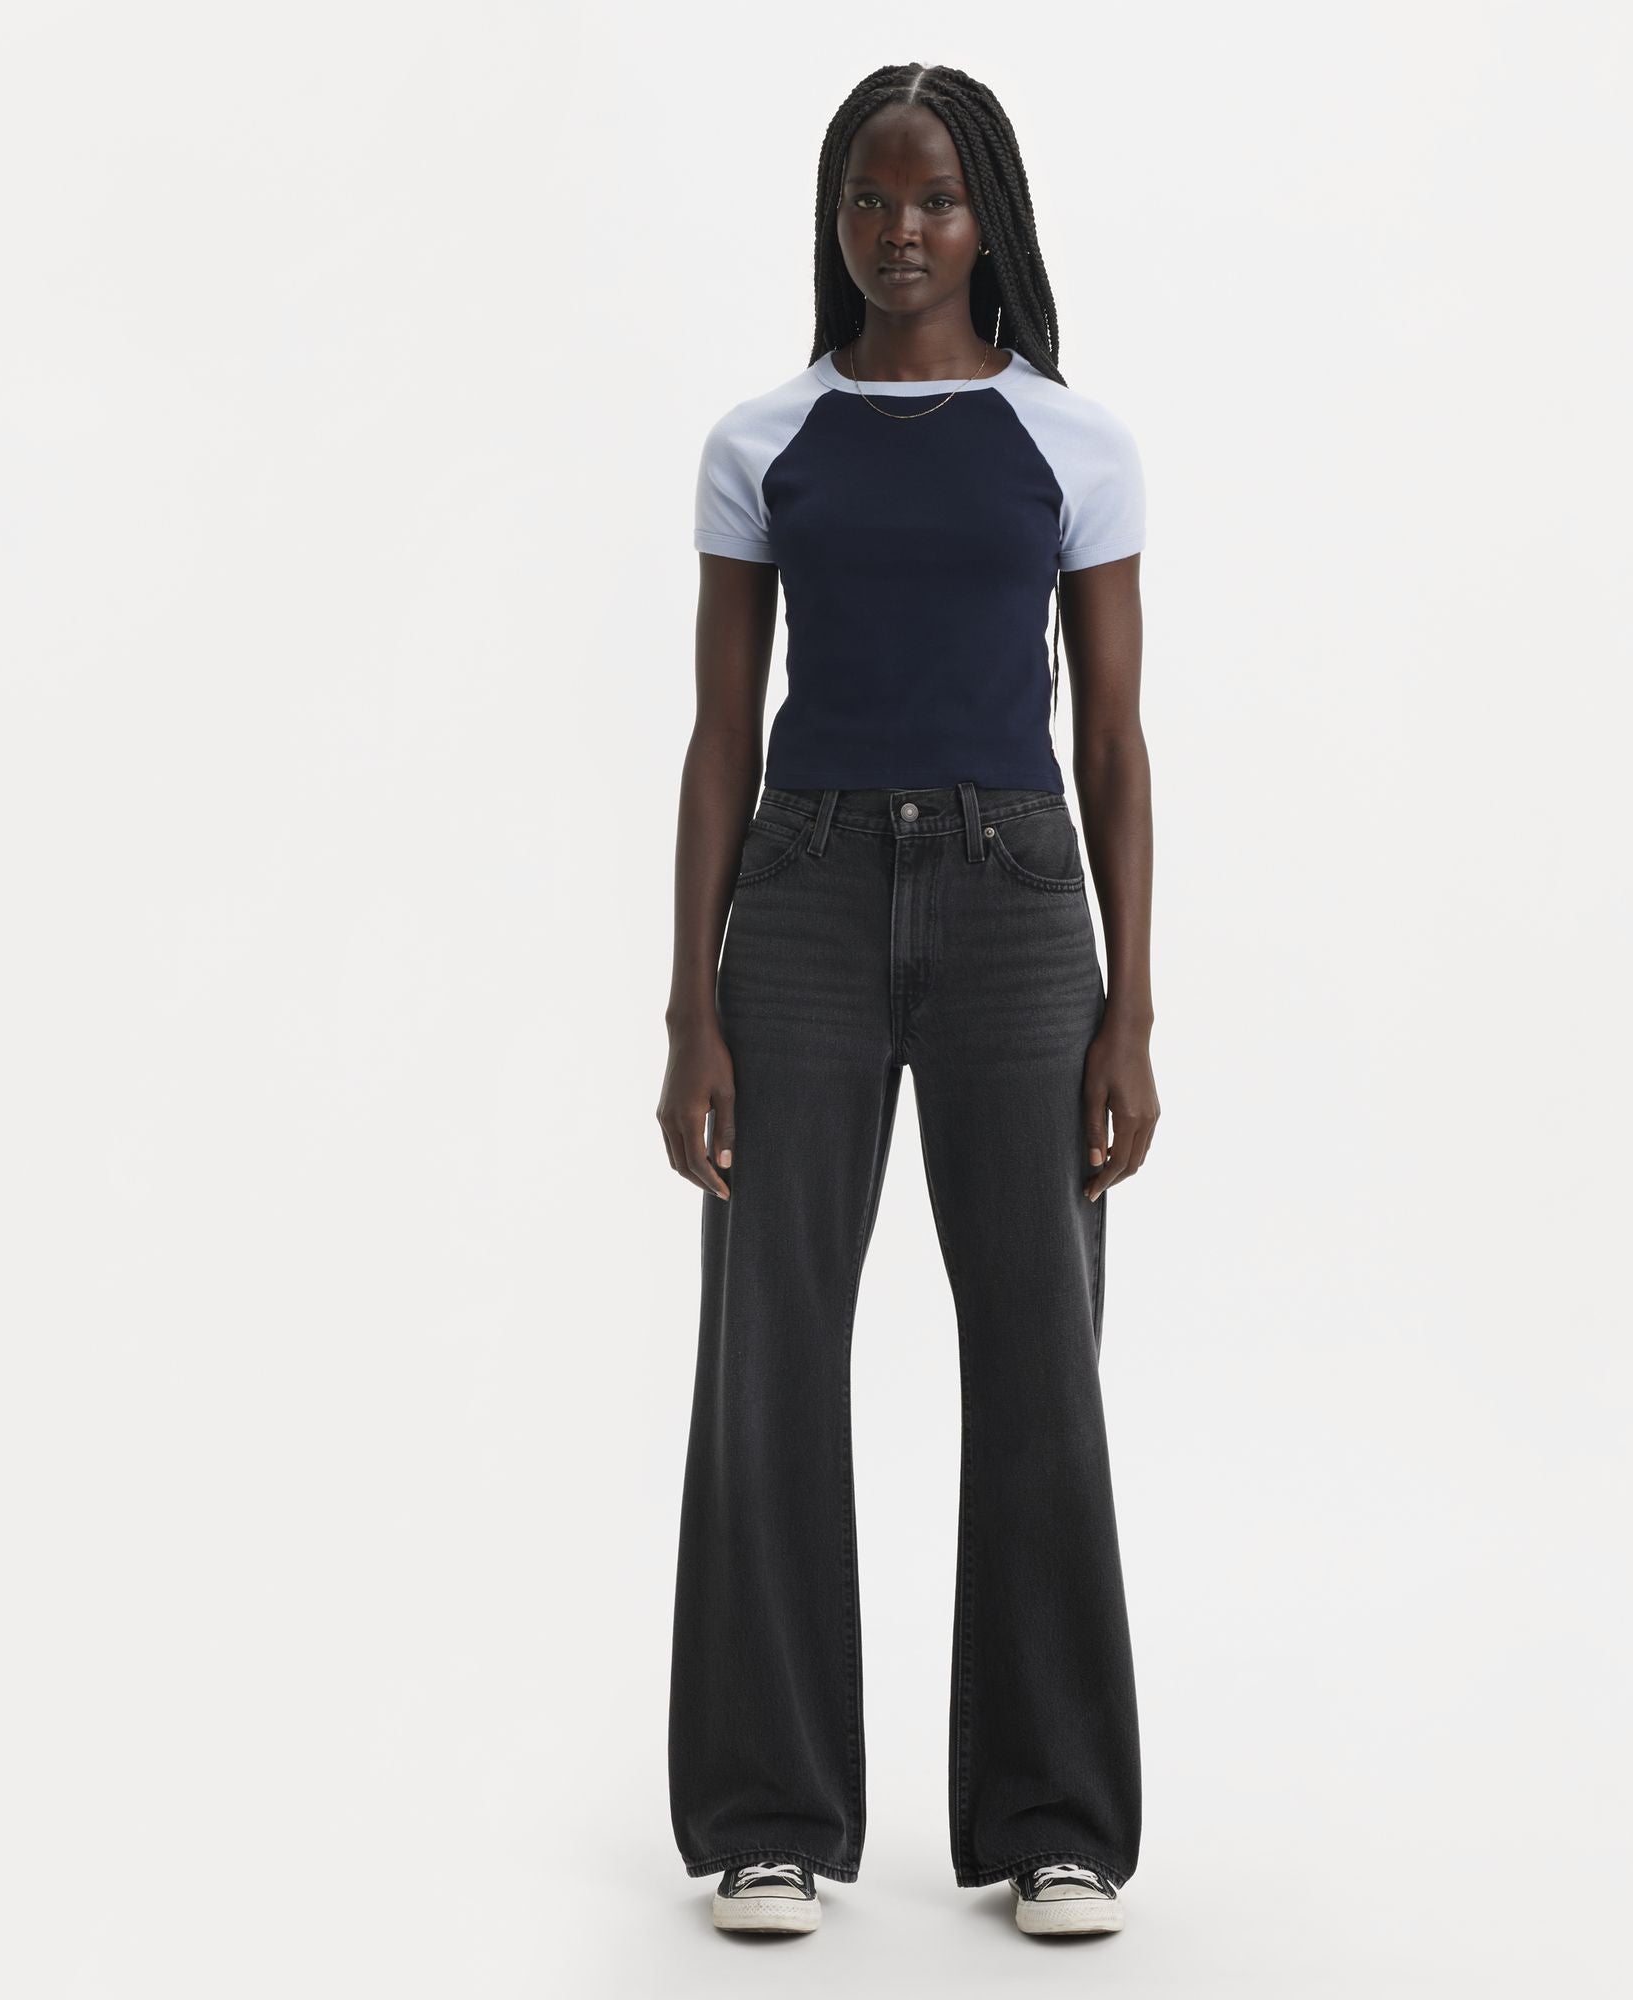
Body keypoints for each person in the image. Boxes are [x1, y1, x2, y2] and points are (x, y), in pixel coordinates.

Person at [653, 62, 1160, 1943]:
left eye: (933, 199)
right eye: (868, 200)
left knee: (1038, 1360)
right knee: (768, 1357)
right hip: (798, 903)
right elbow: (720, 738)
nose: (899, 232)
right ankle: (767, 1816)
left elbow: (1113, 744)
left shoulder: (1070, 445)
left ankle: (1054, 1821)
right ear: (834, 218)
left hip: (1017, 907)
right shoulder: (762, 441)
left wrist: (1131, 1012)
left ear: (987, 216)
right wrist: (688, 1013)